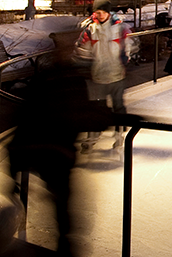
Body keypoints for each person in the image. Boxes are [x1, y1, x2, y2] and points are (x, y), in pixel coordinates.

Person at [8, 29, 114, 256]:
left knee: (62, 205)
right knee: (64, 206)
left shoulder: (46, 78)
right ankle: (64, 247)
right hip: (54, 151)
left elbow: (27, 115)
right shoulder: (66, 79)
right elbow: (80, 115)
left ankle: (59, 243)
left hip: (39, 149)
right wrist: (114, 117)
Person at [77, 0, 132, 152]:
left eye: (103, 12)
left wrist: (125, 57)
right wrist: (84, 62)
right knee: (97, 108)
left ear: (109, 12)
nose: (100, 15)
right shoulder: (90, 28)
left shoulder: (119, 27)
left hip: (116, 74)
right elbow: (83, 48)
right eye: (97, 12)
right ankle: (93, 136)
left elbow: (129, 44)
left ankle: (119, 135)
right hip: (98, 75)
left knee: (118, 106)